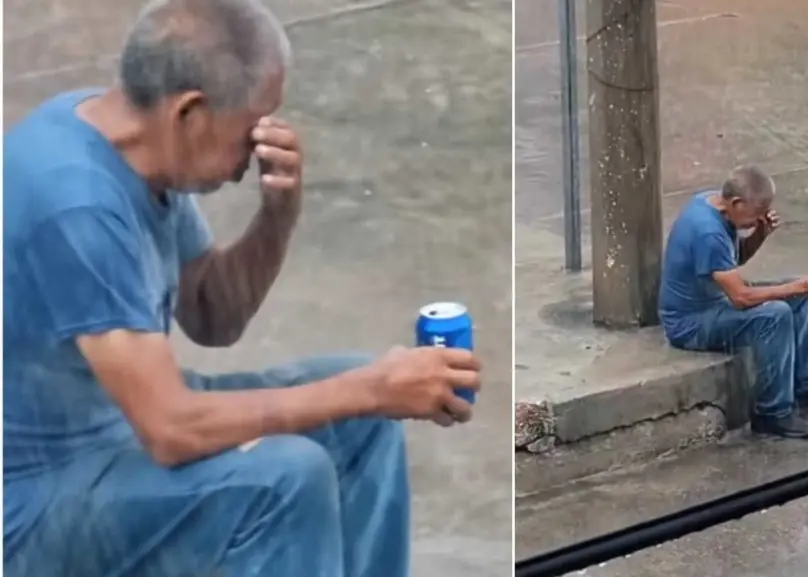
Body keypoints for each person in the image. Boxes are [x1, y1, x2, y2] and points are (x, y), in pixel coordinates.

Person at [3, 1, 482, 575]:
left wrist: (277, 214)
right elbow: (172, 428)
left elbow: (213, 316)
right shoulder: (77, 204)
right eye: (250, 126)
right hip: (39, 510)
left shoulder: (137, 146)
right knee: (286, 479)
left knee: (362, 424)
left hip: (121, 440)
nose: (256, 149)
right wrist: (370, 387)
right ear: (192, 114)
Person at [658, 165, 808, 439]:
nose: (757, 220)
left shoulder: (714, 203)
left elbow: (732, 261)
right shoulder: (708, 231)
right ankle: (772, 413)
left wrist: (759, 234)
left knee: (798, 298)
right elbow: (741, 297)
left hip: (717, 300)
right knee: (776, 314)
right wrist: (804, 284)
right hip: (690, 323)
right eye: (755, 215)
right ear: (736, 203)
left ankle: (799, 386)